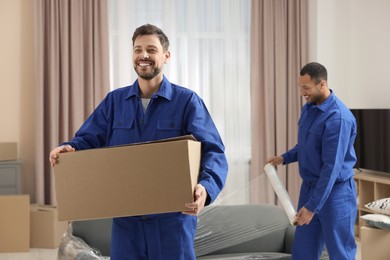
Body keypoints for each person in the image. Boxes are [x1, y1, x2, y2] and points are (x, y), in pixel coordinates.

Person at [49, 24, 228, 260]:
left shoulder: (187, 101)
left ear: (166, 56)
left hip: (172, 222)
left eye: (151, 50)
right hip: (127, 223)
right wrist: (70, 147)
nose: (143, 56)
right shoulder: (115, 101)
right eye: (137, 50)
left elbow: (213, 151)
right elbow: (87, 139)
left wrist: (206, 187)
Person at [266, 62, 357, 260]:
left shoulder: (338, 118)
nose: (302, 93)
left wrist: (312, 207)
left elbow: (331, 169)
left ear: (321, 84)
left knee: (340, 253)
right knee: (302, 253)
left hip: (336, 194)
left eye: (306, 88)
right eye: (301, 87)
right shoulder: (309, 108)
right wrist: (285, 158)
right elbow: (307, 146)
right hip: (310, 190)